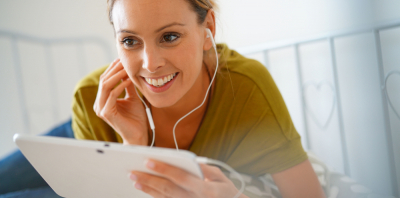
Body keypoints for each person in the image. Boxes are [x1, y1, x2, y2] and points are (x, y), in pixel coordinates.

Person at [71, 0, 326, 197]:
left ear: (209, 29)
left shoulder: (246, 89)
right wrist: (133, 144)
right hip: (76, 128)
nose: (150, 64)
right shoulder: (89, 98)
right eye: (129, 40)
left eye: (169, 37)